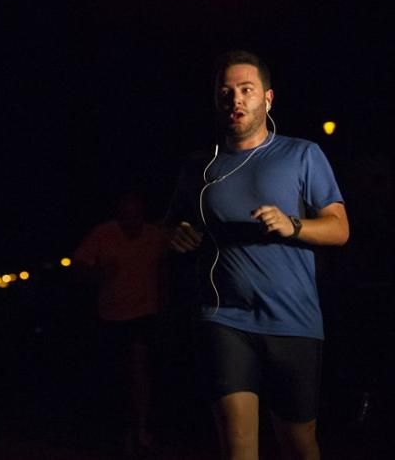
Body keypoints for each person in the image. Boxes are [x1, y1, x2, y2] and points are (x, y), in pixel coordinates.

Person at [167, 50, 349, 460]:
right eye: (227, 91)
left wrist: (293, 225)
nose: (236, 99)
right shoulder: (201, 166)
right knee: (238, 444)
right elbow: (176, 225)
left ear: (267, 99)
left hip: (293, 320)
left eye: (246, 90)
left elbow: (340, 229)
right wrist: (177, 235)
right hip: (223, 318)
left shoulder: (302, 154)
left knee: (298, 443)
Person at [73, 190, 169, 457]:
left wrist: (165, 305)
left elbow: (164, 270)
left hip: (144, 313)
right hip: (111, 315)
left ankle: (141, 427)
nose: (131, 219)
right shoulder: (103, 234)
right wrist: (98, 273)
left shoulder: (153, 235)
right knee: (116, 375)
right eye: (126, 214)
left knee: (140, 371)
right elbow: (79, 266)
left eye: (136, 213)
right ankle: (117, 428)